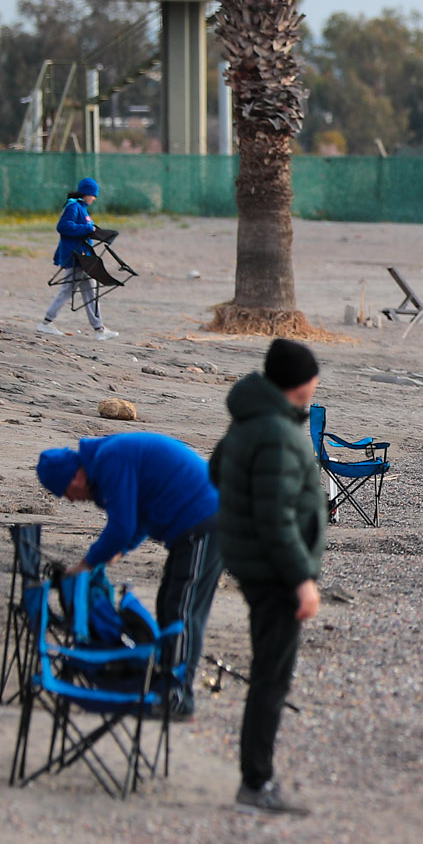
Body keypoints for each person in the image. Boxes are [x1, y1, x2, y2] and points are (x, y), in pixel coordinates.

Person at [209, 339, 327, 817]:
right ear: (298, 383)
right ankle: (256, 783)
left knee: (268, 673)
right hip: (274, 574)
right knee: (271, 679)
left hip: (254, 565)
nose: (316, 385)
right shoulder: (275, 432)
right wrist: (301, 580)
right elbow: (276, 518)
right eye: (313, 378)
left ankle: (256, 780)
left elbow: (217, 473)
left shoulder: (248, 422)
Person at [36, 434, 220, 718]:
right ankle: (164, 687)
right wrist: (120, 551)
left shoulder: (110, 459)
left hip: (206, 521)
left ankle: (178, 697)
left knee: (182, 613)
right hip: (194, 526)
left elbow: (121, 526)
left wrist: (87, 563)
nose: (70, 500)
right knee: (169, 605)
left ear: (74, 476)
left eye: (65, 491)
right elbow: (140, 517)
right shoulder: (107, 460)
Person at [39, 177, 118, 340]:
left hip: (83, 257)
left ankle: (99, 329)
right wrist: (88, 228)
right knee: (71, 291)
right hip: (76, 258)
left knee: (88, 291)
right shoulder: (73, 206)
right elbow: (63, 227)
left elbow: (82, 228)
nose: (94, 198)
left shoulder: (81, 208)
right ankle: (46, 323)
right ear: (87, 193)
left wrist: (93, 230)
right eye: (93, 194)